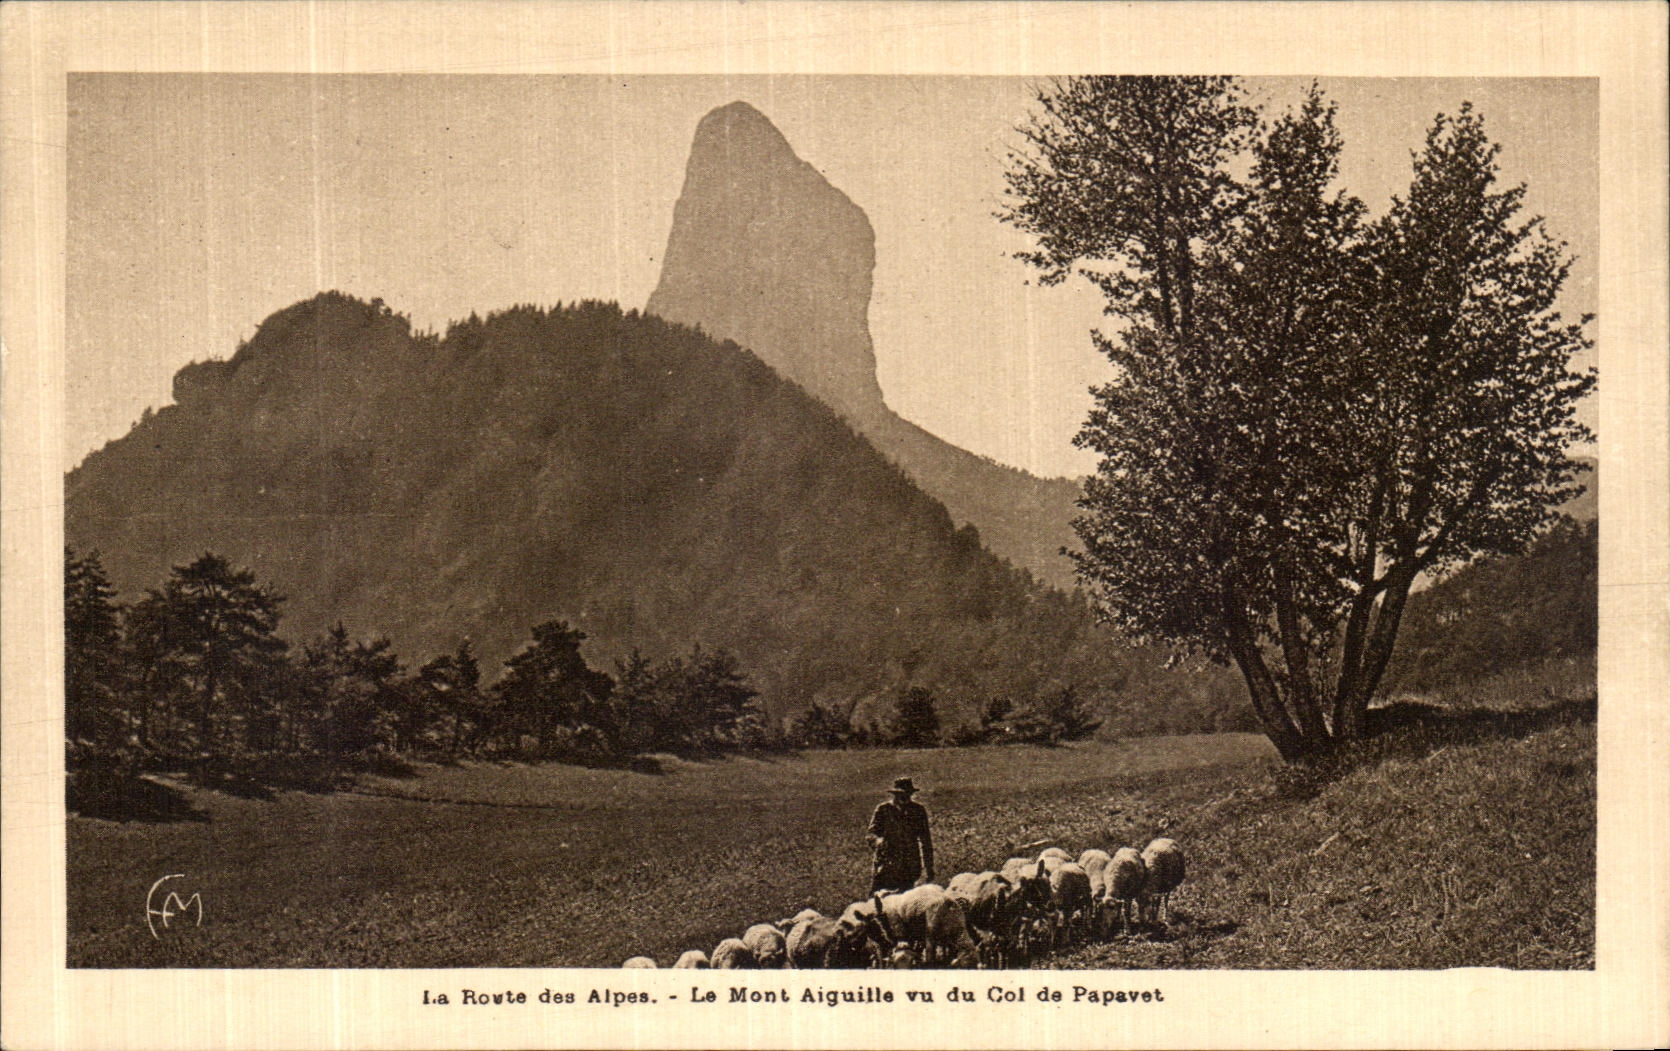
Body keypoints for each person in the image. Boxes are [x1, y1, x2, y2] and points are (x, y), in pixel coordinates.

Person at [868, 776, 934, 893]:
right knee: (878, 901)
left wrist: (929, 869)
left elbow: (926, 841)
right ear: (895, 794)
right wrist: (878, 842)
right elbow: (871, 834)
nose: (905, 797)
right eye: (901, 794)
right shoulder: (884, 810)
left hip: (909, 868)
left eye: (908, 794)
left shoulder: (918, 811)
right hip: (886, 865)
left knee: (902, 905)